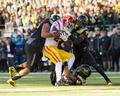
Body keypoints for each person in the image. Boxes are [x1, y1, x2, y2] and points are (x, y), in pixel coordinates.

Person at [7, 17, 52, 87]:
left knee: (30, 62)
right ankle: (13, 79)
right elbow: (43, 34)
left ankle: (14, 68)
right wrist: (55, 34)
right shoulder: (47, 24)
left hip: (30, 45)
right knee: (29, 68)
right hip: (34, 47)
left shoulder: (44, 24)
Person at [69, 15, 112, 85]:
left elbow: (77, 41)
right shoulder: (73, 29)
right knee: (72, 68)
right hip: (75, 52)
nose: (77, 23)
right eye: (77, 21)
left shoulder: (84, 31)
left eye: (79, 22)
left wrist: (69, 34)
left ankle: (107, 80)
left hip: (84, 51)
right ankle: (78, 80)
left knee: (95, 66)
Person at [42, 15, 75, 86]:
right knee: (58, 62)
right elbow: (54, 32)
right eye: (69, 24)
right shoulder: (58, 23)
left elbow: (66, 42)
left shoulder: (65, 29)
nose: (70, 27)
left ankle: (64, 75)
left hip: (55, 48)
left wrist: (67, 40)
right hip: (48, 47)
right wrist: (60, 33)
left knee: (71, 57)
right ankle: (58, 81)